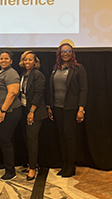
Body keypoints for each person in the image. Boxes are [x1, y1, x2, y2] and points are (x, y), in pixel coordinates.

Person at [47, 43, 87, 177]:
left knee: (69, 136)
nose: (66, 53)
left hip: (70, 108)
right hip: (57, 107)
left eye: (68, 51)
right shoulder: (55, 68)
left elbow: (83, 89)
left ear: (72, 53)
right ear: (59, 53)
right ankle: (64, 165)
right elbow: (51, 89)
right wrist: (50, 106)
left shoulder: (78, 68)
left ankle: (71, 166)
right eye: (63, 51)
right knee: (61, 136)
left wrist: (81, 109)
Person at [0, 50, 22, 181]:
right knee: (6, 140)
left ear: (11, 61)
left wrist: (2, 111)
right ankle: (7, 163)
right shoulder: (1, 72)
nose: (3, 60)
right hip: (1, 111)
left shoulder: (11, 73)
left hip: (9, 112)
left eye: (6, 58)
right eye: (1, 58)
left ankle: (10, 171)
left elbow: (13, 93)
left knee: (5, 140)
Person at [18, 51, 47, 181]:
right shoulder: (24, 74)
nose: (27, 62)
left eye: (30, 60)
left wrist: (32, 111)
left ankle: (33, 168)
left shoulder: (38, 75)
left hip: (35, 112)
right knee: (26, 140)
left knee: (32, 140)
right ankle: (31, 164)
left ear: (35, 62)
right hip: (25, 109)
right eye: (25, 60)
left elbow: (38, 94)